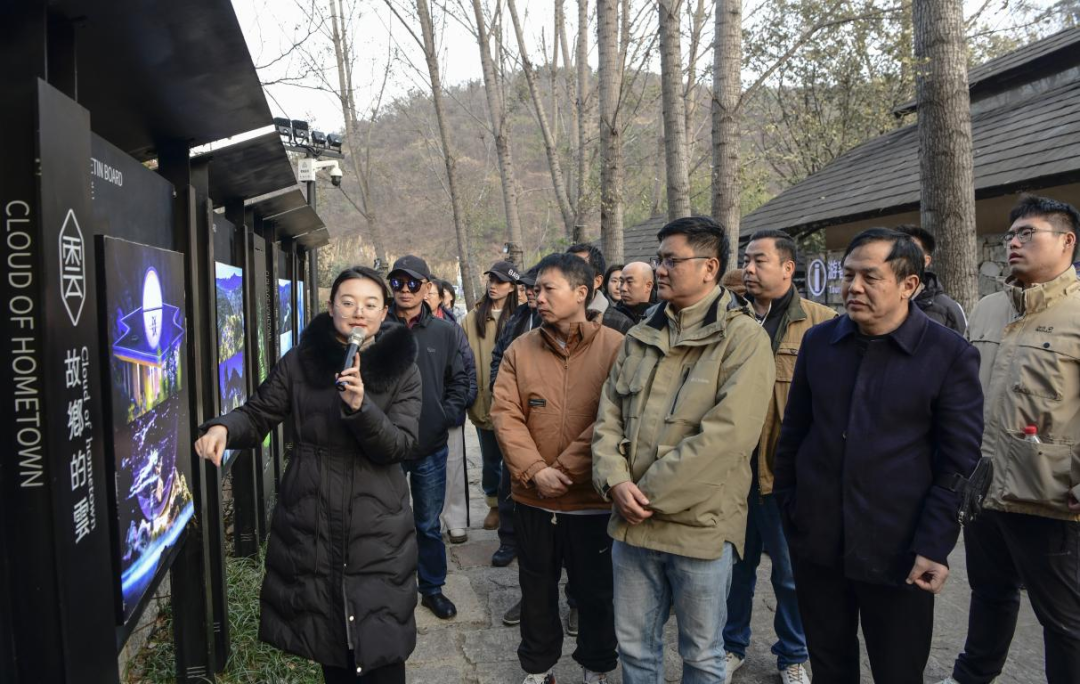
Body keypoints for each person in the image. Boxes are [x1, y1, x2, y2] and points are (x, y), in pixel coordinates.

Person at [774, 227, 984, 684]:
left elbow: (959, 464)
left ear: (909, 284)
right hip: (819, 541)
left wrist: (934, 545)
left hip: (900, 550)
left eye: (870, 277)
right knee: (829, 666)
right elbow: (794, 434)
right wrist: (792, 508)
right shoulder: (820, 342)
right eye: (848, 275)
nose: (853, 287)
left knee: (898, 670)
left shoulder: (948, 354)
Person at [194, 267, 422, 684]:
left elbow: (400, 445)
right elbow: (259, 413)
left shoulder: (402, 368)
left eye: (370, 304)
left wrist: (362, 408)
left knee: (380, 644)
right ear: (331, 306)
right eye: (348, 302)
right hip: (312, 521)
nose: (358, 312)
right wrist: (223, 427)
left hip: (377, 527)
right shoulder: (302, 361)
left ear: (384, 311)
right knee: (330, 641)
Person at [592, 216, 775, 684]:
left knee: (701, 654)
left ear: (709, 267)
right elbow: (608, 415)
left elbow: (727, 437)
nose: (660, 269)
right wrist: (614, 481)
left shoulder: (743, 339)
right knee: (635, 649)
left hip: (698, 529)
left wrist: (642, 495)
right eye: (659, 260)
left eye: (671, 260)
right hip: (631, 526)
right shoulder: (642, 334)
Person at [941, 195, 1080, 684]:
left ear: (1066, 241)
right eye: (1011, 235)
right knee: (990, 592)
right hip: (984, 485)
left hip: (1051, 494)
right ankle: (973, 676)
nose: (1013, 243)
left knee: (1064, 619)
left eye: (1028, 233)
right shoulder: (989, 308)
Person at [492, 253, 624, 684]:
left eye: (549, 289)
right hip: (533, 500)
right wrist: (535, 470)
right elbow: (505, 414)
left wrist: (562, 470)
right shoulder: (520, 348)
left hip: (591, 501)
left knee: (597, 595)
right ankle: (538, 668)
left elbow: (613, 416)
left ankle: (596, 667)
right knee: (535, 592)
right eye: (536, 290)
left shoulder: (617, 347)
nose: (539, 297)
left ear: (582, 293)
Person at [724, 230, 836, 684]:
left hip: (784, 476)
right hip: (733, 474)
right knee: (735, 569)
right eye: (746, 261)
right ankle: (731, 646)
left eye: (759, 261)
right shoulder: (729, 318)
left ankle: (793, 655)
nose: (748, 269)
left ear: (788, 268)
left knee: (790, 575)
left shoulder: (822, 324)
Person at [388, 255, 470, 620]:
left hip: (430, 445)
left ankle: (432, 588)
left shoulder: (444, 331)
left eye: (412, 283)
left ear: (427, 288)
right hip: (385, 444)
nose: (404, 290)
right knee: (386, 522)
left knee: (427, 523)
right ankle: (390, 587)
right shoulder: (378, 326)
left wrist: (445, 415)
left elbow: (460, 380)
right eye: (397, 283)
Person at [465, 260, 521, 535]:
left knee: (514, 457)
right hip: (482, 399)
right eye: (491, 280)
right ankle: (493, 503)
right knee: (490, 458)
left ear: (512, 287)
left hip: (513, 401)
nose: (493, 285)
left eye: (500, 281)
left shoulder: (520, 318)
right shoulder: (472, 318)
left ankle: (515, 505)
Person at [428, 276, 478, 545]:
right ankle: (426, 520)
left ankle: (455, 521)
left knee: (454, 466)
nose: (425, 295)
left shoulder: (451, 328)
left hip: (449, 409)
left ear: (442, 297)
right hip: (413, 412)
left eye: (431, 292)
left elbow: (467, 366)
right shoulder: (400, 325)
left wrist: (461, 402)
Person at [893, 224, 967, 334]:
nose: (900, 258)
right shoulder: (877, 301)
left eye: (910, 252)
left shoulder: (948, 309)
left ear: (926, 261)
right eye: (895, 252)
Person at [568, 244, 633, 334]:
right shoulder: (552, 316)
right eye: (564, 271)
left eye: (578, 271)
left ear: (597, 281)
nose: (568, 278)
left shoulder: (621, 324)